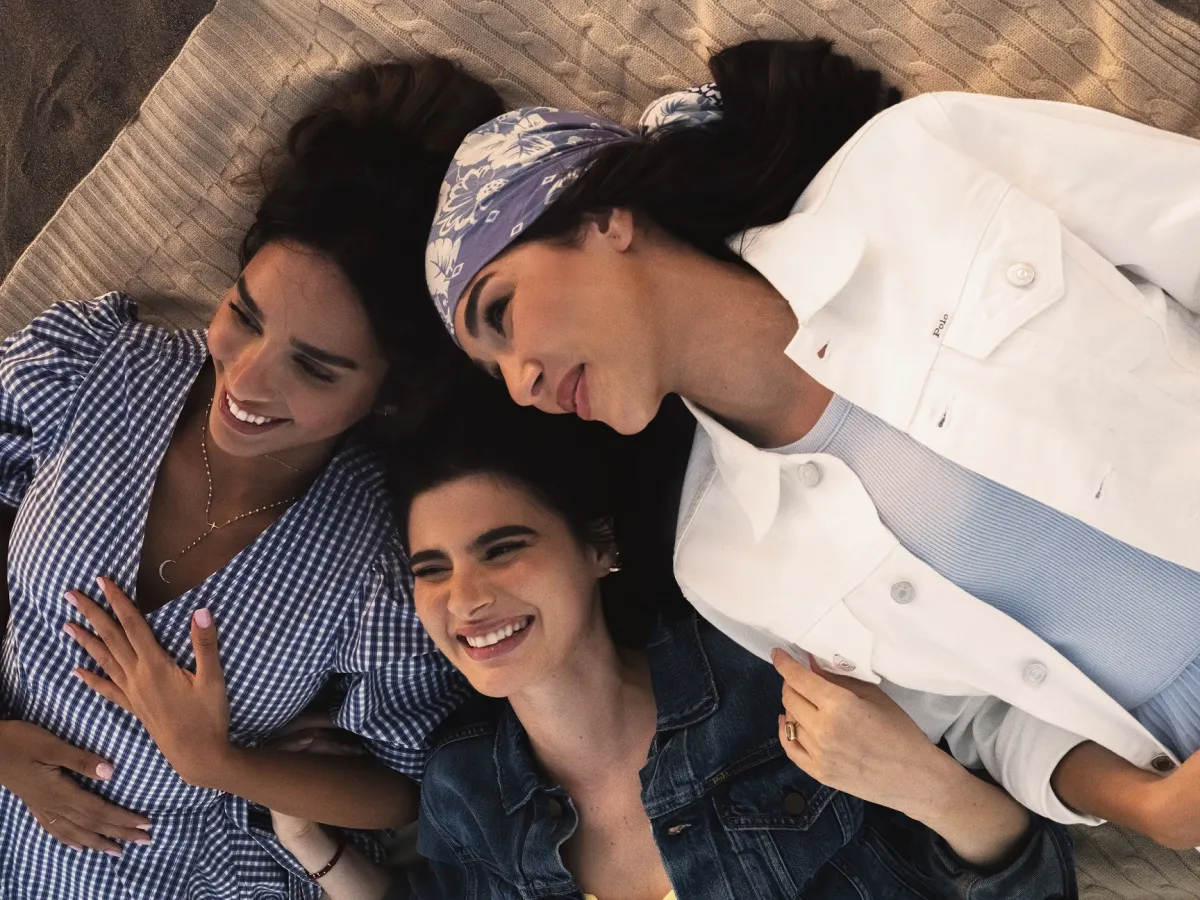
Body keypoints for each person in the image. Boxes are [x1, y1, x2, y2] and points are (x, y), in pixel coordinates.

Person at [423, 38, 1200, 849]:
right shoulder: (723, 562)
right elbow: (984, 718)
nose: (520, 384)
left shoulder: (912, 165)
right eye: (494, 374)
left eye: (501, 314)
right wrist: (1150, 807)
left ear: (603, 219)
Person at [0, 57, 504, 899]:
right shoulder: (93, 368)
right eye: (243, 314)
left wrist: (216, 761)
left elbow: (404, 788)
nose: (246, 380)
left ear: (390, 394)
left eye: (315, 367)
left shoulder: (380, 559)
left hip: (168, 873)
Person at [268, 400, 1077, 899]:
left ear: (598, 548)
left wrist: (925, 783)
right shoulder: (466, 783)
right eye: (431, 570)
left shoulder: (762, 679)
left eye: (503, 549)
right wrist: (307, 840)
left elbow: (1032, 883)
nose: (465, 598)